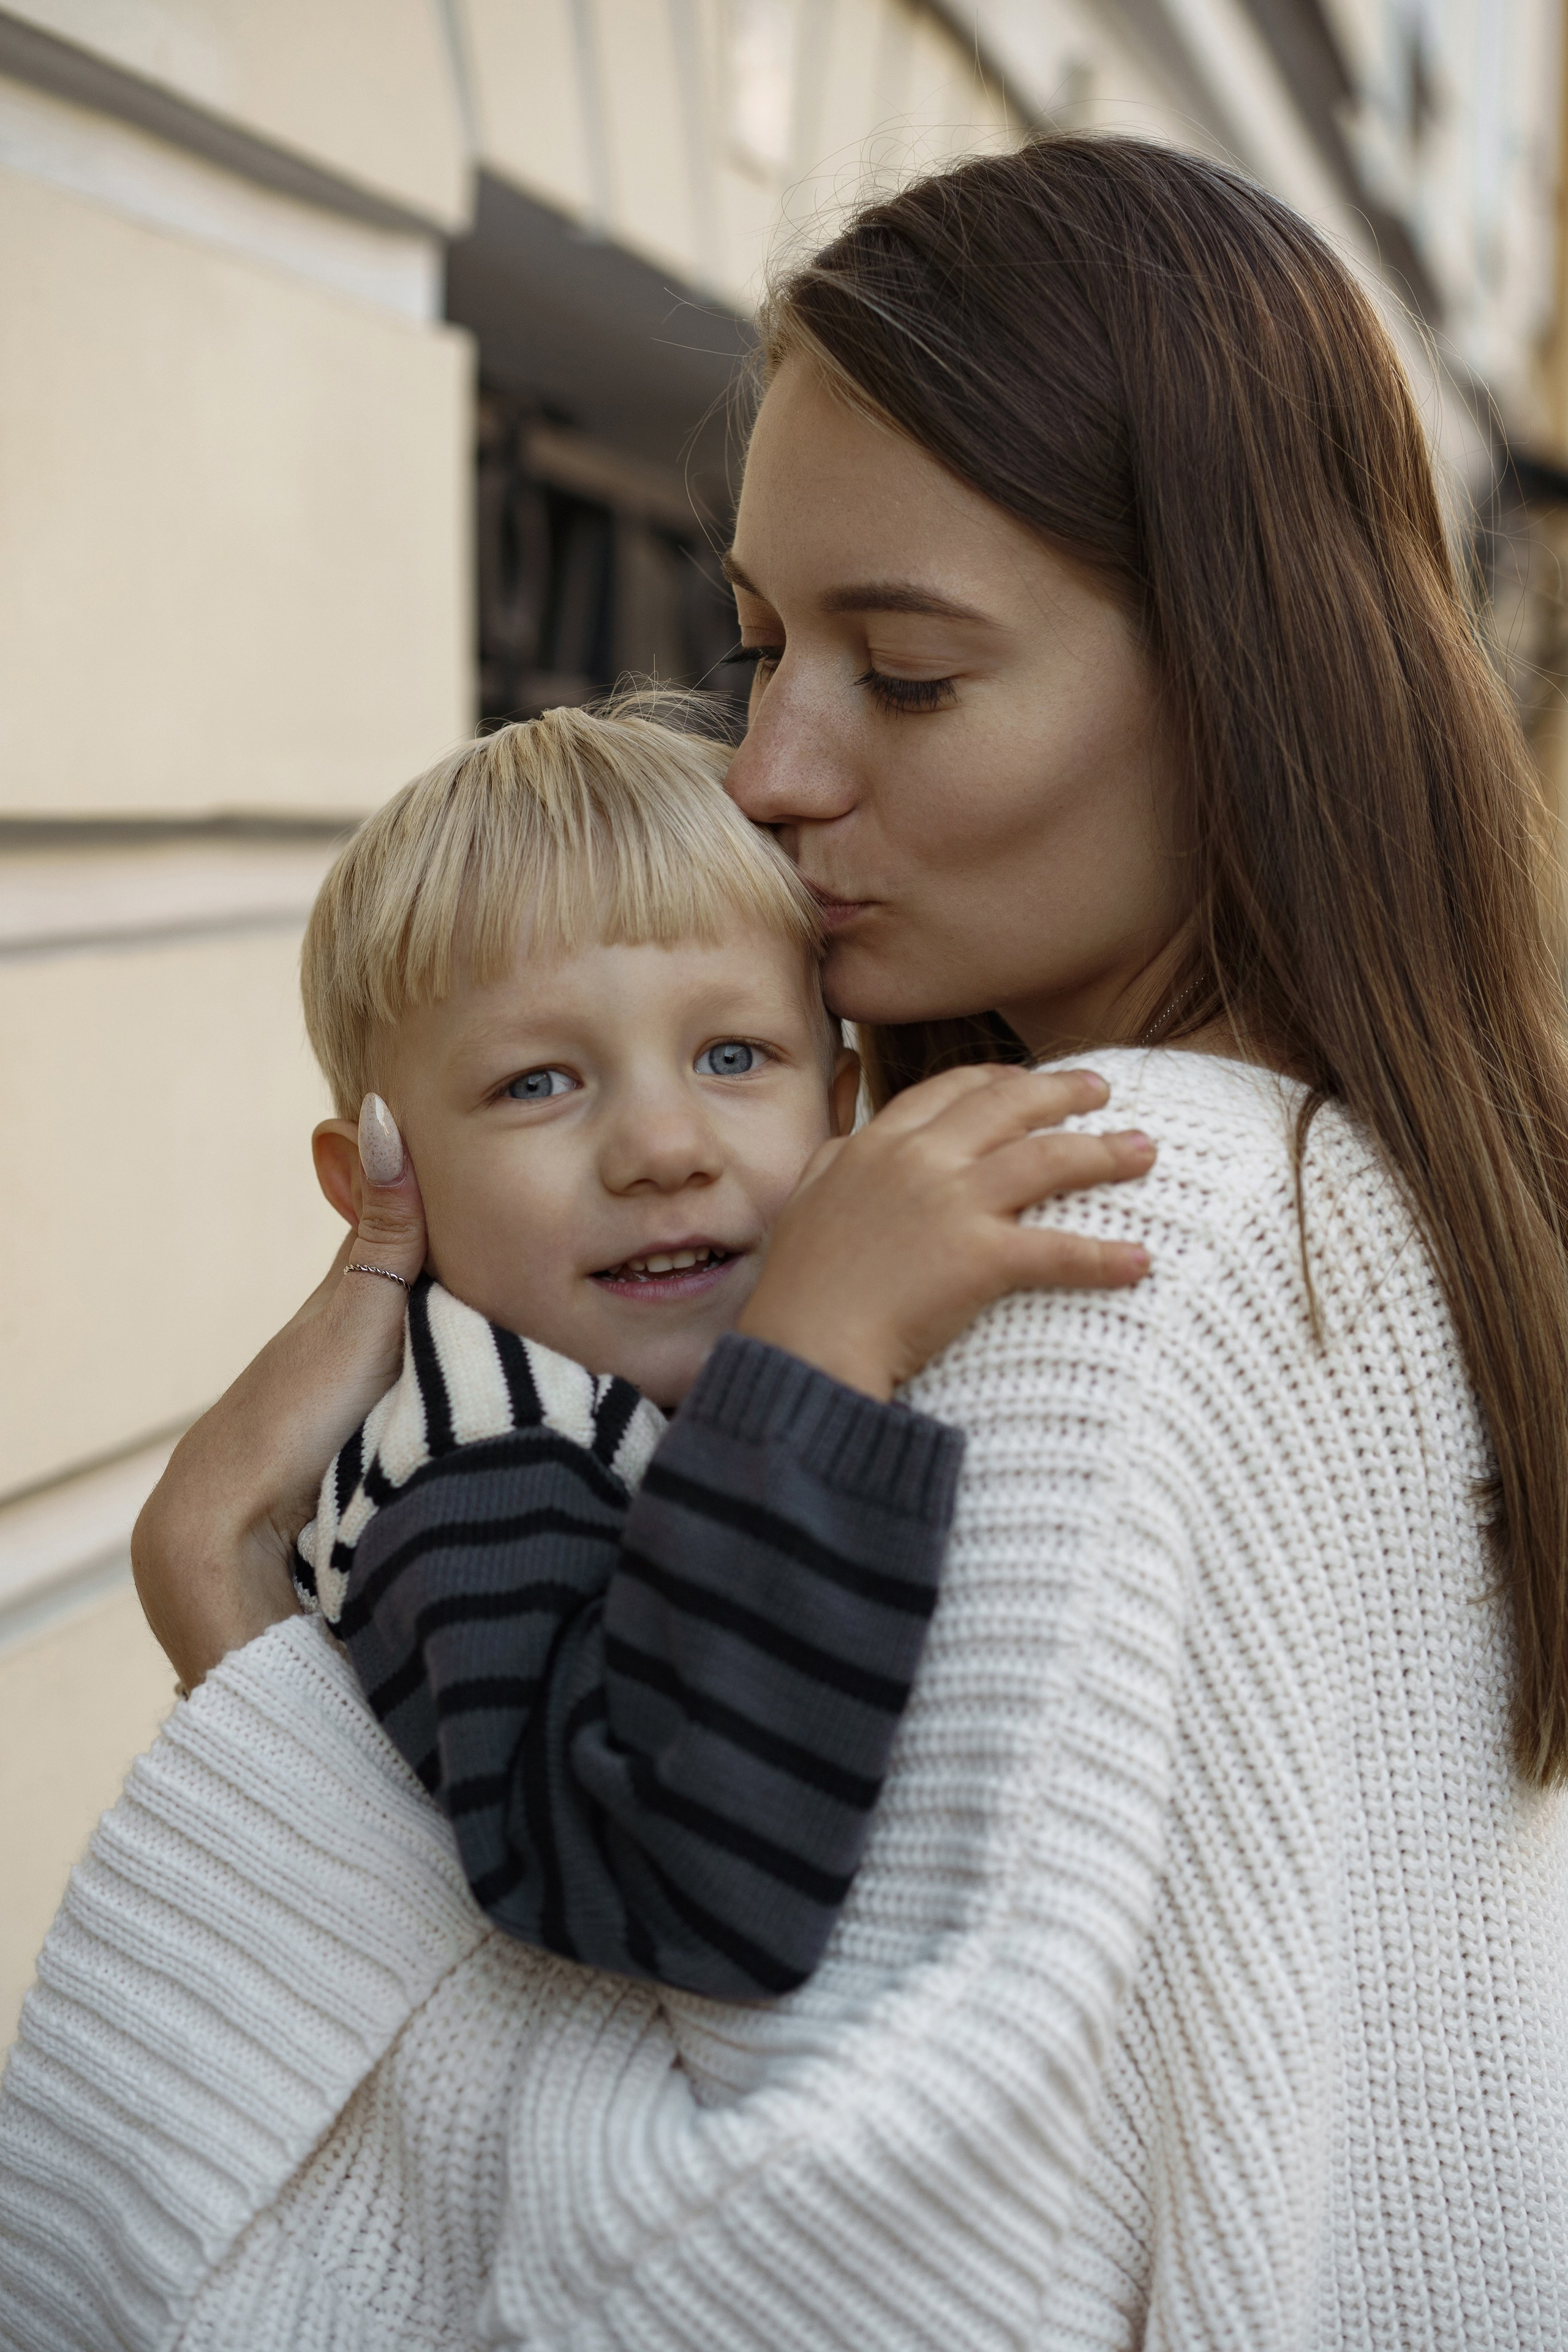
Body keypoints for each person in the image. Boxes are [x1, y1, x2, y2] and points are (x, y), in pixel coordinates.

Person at [6, 129, 1568, 2351]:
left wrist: (238, 1642)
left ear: (1247, 676)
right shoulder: (1392, 1197)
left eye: (905, 674)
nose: (768, 770)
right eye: (755, 647)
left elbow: (790, 2265)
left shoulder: (1090, 1243)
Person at [290, 702, 1150, 1993]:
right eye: (537, 1083)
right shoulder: (480, 1453)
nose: (663, 1148)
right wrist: (814, 1362)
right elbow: (683, 1893)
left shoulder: (600, 1400)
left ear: (838, 1111)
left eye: (733, 1055)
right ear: (376, 1182)